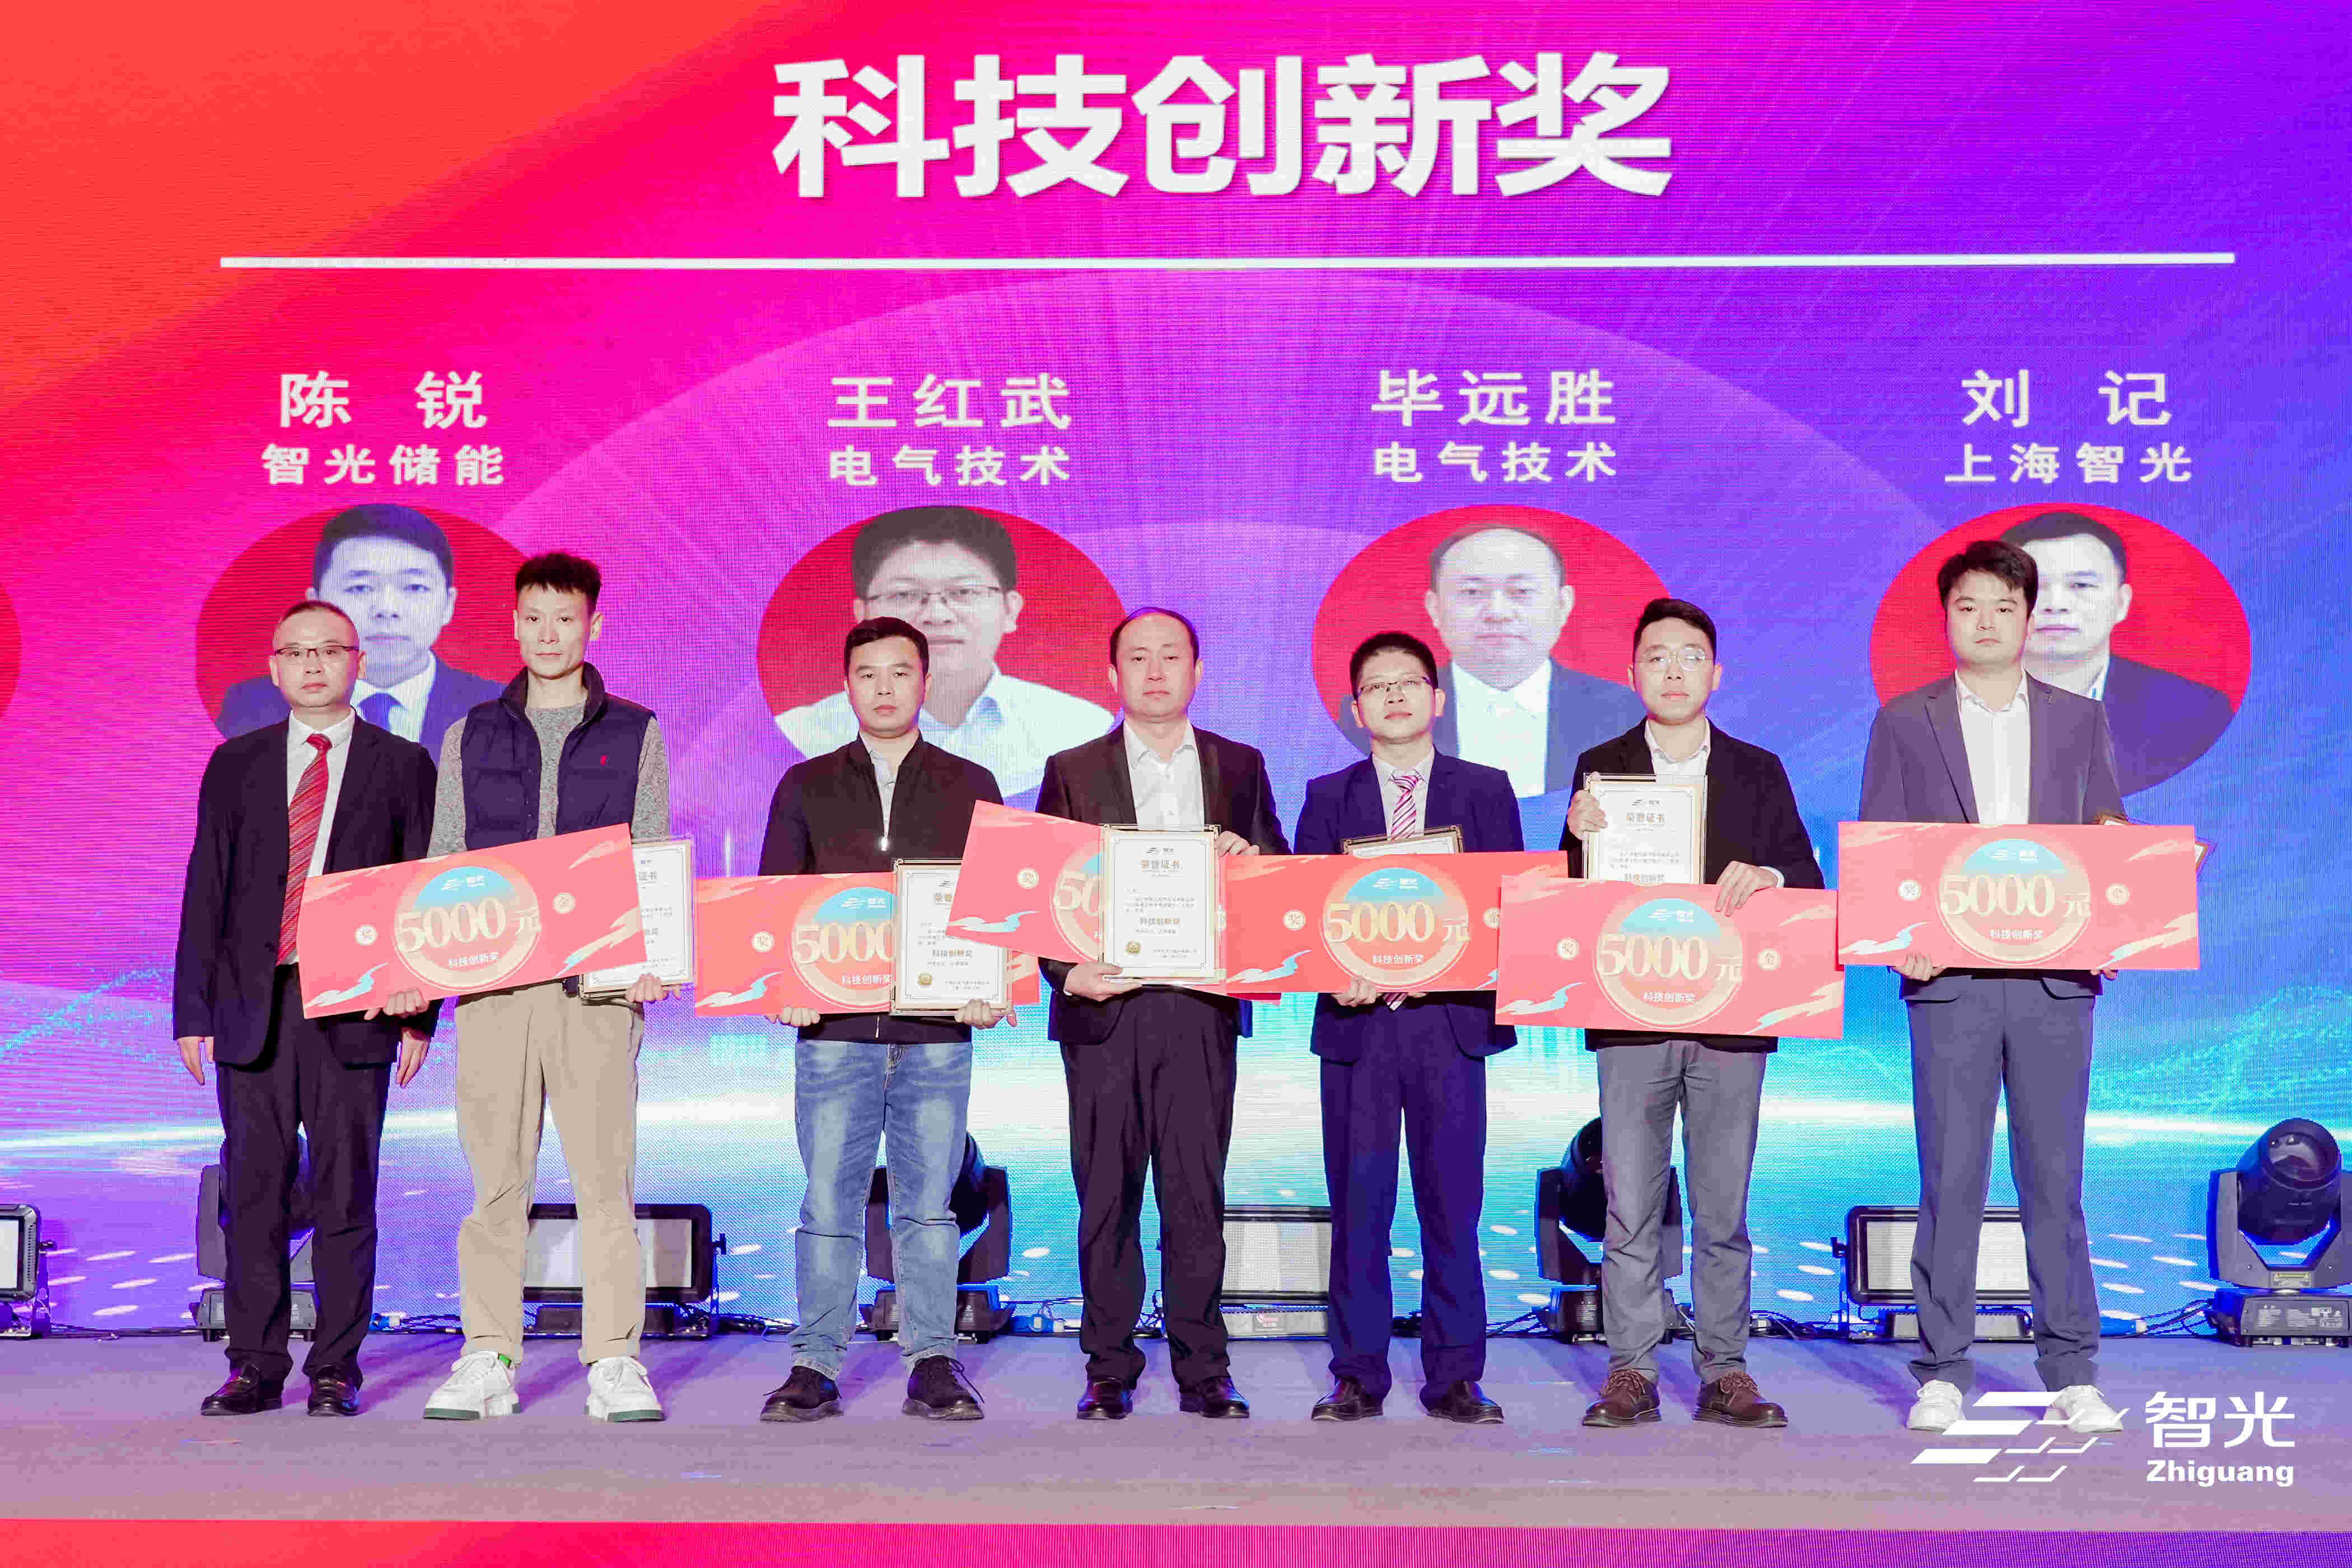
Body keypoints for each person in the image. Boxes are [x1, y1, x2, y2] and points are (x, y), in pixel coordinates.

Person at [1859, 539, 2127, 1437]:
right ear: (1947, 617)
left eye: (2004, 607)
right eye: (1968, 606)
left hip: (2054, 983)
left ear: (2027, 618)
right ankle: (1942, 1369)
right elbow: (1884, 842)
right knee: (1951, 1178)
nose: (1986, 622)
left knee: (2056, 1181)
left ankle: (2073, 1369)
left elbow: (2107, 830)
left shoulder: (2079, 720)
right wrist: (1901, 942)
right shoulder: (1906, 720)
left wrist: (2132, 903)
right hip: (1953, 984)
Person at [419, 552, 678, 1424]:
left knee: (606, 1181)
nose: (548, 635)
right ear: (514, 624)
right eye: (533, 618)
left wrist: (655, 955)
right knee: (497, 1183)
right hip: (494, 988)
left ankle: (614, 1360)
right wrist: (431, 975)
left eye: (565, 619)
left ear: (593, 625)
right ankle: (488, 1354)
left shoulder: (635, 731)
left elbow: (650, 850)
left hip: (597, 989)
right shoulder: (471, 733)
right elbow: (445, 858)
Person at [173, 599, 439, 1418]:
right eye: (297, 652)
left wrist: (420, 1012)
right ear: (274, 667)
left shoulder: (404, 765)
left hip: (357, 1006)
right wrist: (192, 1011)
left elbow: (422, 891)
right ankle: (254, 1365)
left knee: (345, 1194)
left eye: (330, 650)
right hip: (252, 1006)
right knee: (253, 1193)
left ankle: (335, 1368)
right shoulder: (237, 764)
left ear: (359, 662)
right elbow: (206, 889)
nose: (314, 665)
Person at [1562, 598, 1823, 1431]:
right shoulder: (1600, 767)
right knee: (1629, 1204)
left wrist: (1770, 877)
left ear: (1716, 673)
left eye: (1689, 655)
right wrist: (1575, 839)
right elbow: (1572, 902)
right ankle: (1632, 1370)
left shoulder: (1758, 769)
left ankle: (1725, 1370)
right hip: (1630, 1010)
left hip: (1730, 1015)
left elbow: (1806, 880)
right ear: (1631, 673)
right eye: (1657, 656)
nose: (1673, 669)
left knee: (1723, 1207)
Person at [756, 617, 1013, 1424]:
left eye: (900, 673)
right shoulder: (805, 784)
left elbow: (998, 902)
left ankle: (932, 1360)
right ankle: (814, 1364)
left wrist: (991, 983)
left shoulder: (972, 783)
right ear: (846, 686)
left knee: (929, 1208)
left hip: (937, 1033)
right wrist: (786, 984)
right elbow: (774, 903)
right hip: (834, 1034)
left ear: (924, 682)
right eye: (867, 674)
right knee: (827, 1206)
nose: (884, 688)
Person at [1036, 608, 1288, 1421]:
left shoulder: (1239, 765)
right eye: (1138, 658)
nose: (1154, 671)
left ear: (1197, 671)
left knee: (1194, 1196)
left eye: (1171, 656)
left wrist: (1255, 860)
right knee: (1106, 1197)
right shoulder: (1072, 768)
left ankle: (1204, 1368)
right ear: (1112, 675)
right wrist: (1065, 974)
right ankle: (1108, 1366)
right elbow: (1038, 893)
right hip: (1104, 1011)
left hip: (1198, 1011)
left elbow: (1278, 874)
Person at [1295, 631, 1522, 1426]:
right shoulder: (1328, 796)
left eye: (1408, 681)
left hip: (1448, 1025)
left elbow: (1509, 907)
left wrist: (1458, 964)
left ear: (1437, 697)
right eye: (1376, 686)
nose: (1394, 695)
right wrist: (1334, 968)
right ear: (1357, 710)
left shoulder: (1485, 790)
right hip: (1359, 1026)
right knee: (1359, 1207)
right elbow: (1304, 910)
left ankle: (1455, 1375)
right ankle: (1357, 1373)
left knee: (1452, 1206)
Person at [774, 506, 1112, 797]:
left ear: (1010, 610)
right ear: (863, 615)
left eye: (964, 592)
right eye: (904, 595)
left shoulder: (1079, 729)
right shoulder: (807, 732)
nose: (936, 616)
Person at [1343, 524, 1640, 799]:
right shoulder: (1376, 713)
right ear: (1435, 608)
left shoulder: (1625, 713)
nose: (1498, 613)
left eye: (1521, 592)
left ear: (1563, 604)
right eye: (1472, 592)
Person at [216, 505, 502, 756]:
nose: (387, 609)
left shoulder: (497, 709)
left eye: (415, 587)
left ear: (448, 604)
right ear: (317, 604)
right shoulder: (253, 707)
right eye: (360, 588)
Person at [2000, 511, 2235, 794]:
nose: (2056, 604)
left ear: (2121, 603)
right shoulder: (1952, 710)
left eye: (2081, 585)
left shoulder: (2193, 712)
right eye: (2033, 586)